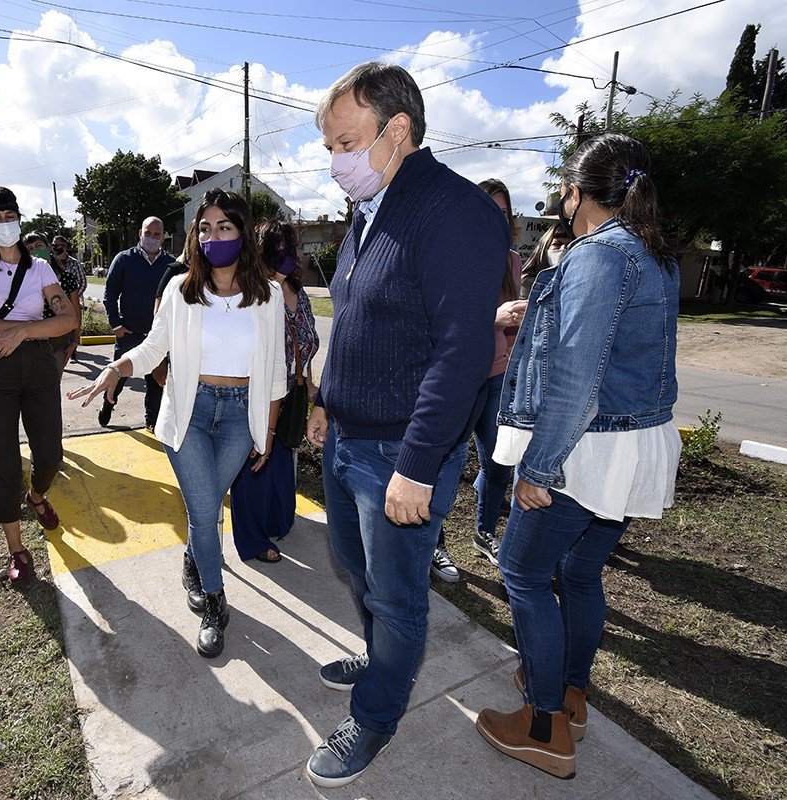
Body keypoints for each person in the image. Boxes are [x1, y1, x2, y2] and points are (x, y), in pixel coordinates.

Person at [303, 62, 508, 788]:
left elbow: (462, 353)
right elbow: (353, 320)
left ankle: (377, 713)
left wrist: (418, 466)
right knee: (356, 571)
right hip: (349, 437)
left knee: (397, 595)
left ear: (398, 130)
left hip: (400, 451)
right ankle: (378, 651)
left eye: (344, 142)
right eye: (328, 146)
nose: (335, 162)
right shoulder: (373, 208)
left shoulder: (453, 211)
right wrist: (325, 397)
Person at [475, 133, 680, 779]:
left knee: (524, 571)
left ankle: (543, 728)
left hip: (586, 449)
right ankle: (570, 696)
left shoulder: (597, 256)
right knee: (580, 572)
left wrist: (537, 470)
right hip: (629, 443)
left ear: (575, 192)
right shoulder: (655, 254)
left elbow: (574, 377)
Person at [69, 189, 286, 660]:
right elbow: (152, 348)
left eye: (224, 227)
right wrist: (117, 367)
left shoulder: (268, 295)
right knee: (206, 512)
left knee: (204, 512)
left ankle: (193, 557)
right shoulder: (180, 289)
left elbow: (275, 373)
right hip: (190, 409)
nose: (213, 237)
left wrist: (266, 434)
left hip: (239, 415)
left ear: (243, 233)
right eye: (204, 228)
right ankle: (214, 599)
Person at [0, 187, 77, 584]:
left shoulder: (40, 268)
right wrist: (20, 332)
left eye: (8, 215)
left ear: (19, 218)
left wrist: (22, 332)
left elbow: (67, 320)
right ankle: (17, 548)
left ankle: (37, 496)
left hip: (39, 364)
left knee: (51, 453)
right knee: (3, 460)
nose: (2, 223)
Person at [430, 178, 527, 582]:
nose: (496, 219)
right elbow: (441, 319)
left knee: (499, 460)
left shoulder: (512, 261)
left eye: (503, 213)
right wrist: (493, 319)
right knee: (443, 461)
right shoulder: (451, 255)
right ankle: (435, 543)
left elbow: (514, 320)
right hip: (460, 375)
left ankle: (485, 533)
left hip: (499, 374)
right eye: (489, 210)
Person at [229, 220, 319, 564]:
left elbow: (307, 340)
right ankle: (251, 540)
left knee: (280, 463)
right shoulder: (251, 293)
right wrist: (274, 282)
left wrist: (308, 382)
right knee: (253, 466)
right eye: (279, 247)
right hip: (257, 393)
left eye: (291, 247)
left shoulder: (300, 292)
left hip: (290, 393)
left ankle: (277, 522)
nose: (289, 254)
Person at [100, 216, 176, 430]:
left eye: (157, 234)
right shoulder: (124, 260)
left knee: (155, 384)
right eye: (148, 233)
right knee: (118, 378)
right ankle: (107, 406)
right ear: (140, 234)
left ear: (163, 237)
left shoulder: (170, 265)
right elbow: (110, 294)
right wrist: (116, 326)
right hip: (129, 334)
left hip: (158, 337)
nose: (152, 238)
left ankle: (152, 422)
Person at [25, 232, 83, 368]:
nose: (35, 251)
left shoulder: (66, 277)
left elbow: (76, 309)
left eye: (39, 246)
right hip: (29, 339)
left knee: (52, 384)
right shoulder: (21, 280)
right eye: (30, 248)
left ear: (49, 248)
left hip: (58, 338)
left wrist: (75, 341)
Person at [50, 235, 87, 362]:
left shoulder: (74, 263)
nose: (55, 248)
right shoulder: (48, 263)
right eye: (53, 245)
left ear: (65, 247)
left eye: (58, 245)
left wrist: (73, 297)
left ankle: (72, 348)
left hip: (72, 302)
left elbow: (82, 281)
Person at [520, 221, 571, 297]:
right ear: (545, 247)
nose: (563, 249)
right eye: (557, 244)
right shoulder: (529, 281)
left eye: (570, 245)